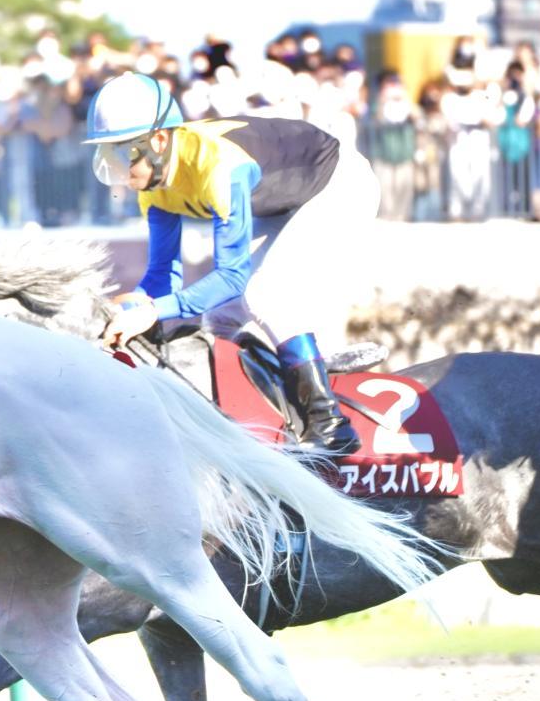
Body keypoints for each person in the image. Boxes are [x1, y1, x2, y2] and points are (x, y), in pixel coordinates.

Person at [87, 71, 379, 455]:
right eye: (107, 154)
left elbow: (233, 275)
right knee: (221, 317)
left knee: (263, 296)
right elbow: (161, 277)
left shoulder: (218, 167)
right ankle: (275, 406)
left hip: (341, 185)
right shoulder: (153, 190)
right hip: (282, 199)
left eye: (123, 152)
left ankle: (329, 423)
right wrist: (131, 309)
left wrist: (153, 310)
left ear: (158, 140)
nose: (119, 170)